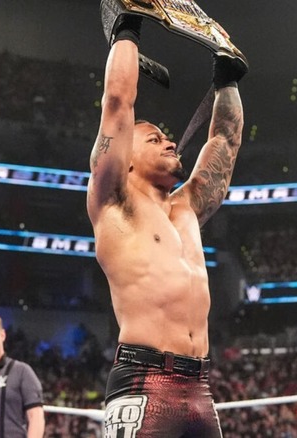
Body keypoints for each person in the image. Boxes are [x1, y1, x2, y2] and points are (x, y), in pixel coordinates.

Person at [87, 9, 247, 437]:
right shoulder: (114, 203)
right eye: (154, 139)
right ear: (128, 160)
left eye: (167, 136)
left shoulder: (187, 208)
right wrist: (128, 27)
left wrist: (227, 80)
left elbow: (225, 144)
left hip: (199, 387)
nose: (170, 141)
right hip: (143, 383)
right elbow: (118, 104)